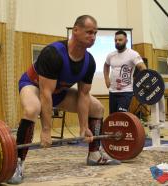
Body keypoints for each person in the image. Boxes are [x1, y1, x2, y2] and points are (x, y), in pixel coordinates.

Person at [7, 15, 120, 184]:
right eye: (89, 32)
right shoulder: (53, 53)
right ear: (75, 30)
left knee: (97, 108)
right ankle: (17, 163)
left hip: (58, 92)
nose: (93, 37)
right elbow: (45, 94)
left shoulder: (89, 62)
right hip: (34, 85)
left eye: (95, 33)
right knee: (32, 109)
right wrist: (46, 130)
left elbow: (83, 95)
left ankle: (94, 154)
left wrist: (83, 128)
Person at [103, 30, 147, 114]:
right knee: (113, 116)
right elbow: (106, 66)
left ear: (126, 41)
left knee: (121, 114)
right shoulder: (111, 55)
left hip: (126, 91)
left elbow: (142, 67)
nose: (117, 42)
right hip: (113, 91)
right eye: (115, 40)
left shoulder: (133, 54)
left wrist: (143, 83)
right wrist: (106, 79)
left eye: (120, 40)